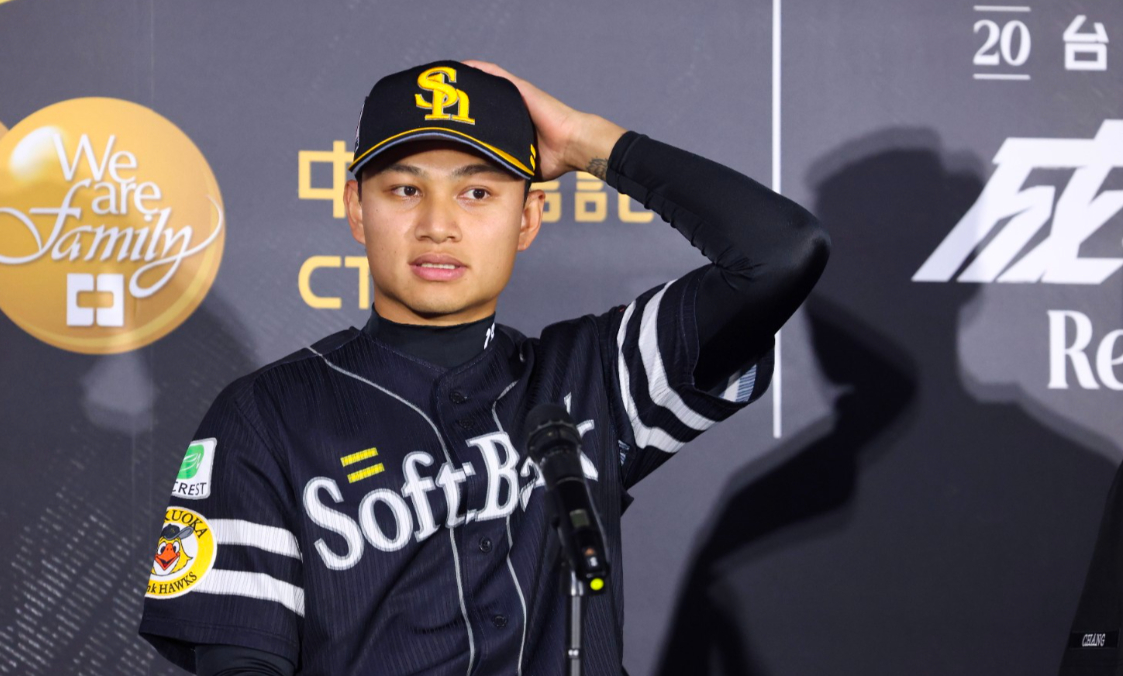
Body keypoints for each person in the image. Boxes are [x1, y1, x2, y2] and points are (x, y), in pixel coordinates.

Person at [137, 58, 829, 675]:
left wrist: (586, 143)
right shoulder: (266, 414)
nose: (438, 224)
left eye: (477, 193)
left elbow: (780, 253)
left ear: (527, 218)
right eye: (404, 190)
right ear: (356, 209)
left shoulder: (594, 376)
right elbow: (241, 662)